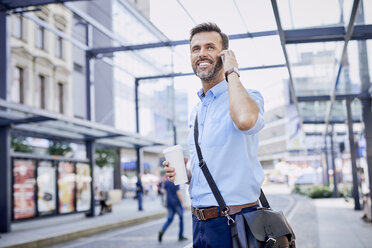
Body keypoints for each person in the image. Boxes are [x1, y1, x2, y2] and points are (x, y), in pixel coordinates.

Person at [163, 22, 265, 248]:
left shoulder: (249, 96)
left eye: (210, 47)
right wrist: (188, 172)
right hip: (199, 224)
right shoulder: (197, 110)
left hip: (235, 222)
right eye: (195, 49)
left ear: (224, 54)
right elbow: (214, 163)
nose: (202, 53)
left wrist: (232, 71)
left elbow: (246, 120)